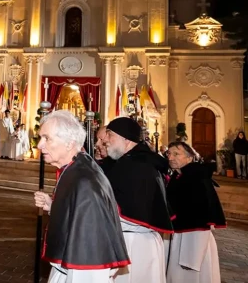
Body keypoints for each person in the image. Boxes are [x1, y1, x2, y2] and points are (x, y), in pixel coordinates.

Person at [34, 111, 129, 282]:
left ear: (69, 143)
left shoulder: (85, 181)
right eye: (40, 138)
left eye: (47, 138)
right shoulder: (75, 168)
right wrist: (54, 206)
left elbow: (89, 252)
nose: (40, 145)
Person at [103, 117, 173, 283]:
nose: (105, 140)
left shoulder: (138, 166)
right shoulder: (131, 161)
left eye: (109, 134)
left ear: (125, 139)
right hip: (130, 240)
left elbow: (135, 212)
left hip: (136, 244)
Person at [166, 141, 226, 283]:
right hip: (180, 236)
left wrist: (194, 253)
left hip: (193, 239)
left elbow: (202, 214)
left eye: (176, 154)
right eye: (169, 153)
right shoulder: (179, 175)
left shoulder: (197, 177)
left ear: (189, 157)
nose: (170, 157)